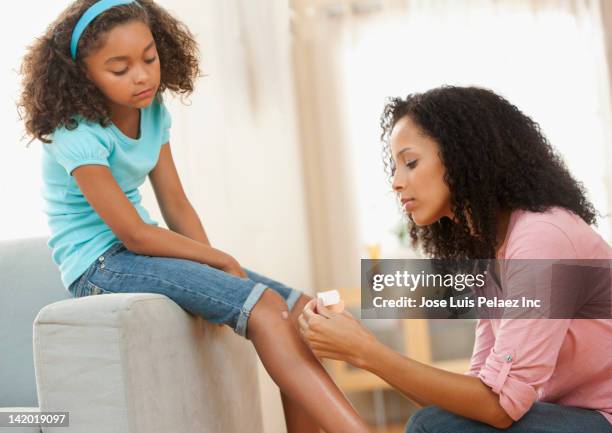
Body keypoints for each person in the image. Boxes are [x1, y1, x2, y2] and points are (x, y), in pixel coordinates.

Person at [19, 1, 373, 432]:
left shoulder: (151, 110)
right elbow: (132, 234)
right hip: (100, 265)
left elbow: (176, 204)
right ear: (83, 72)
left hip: (137, 251)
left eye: (149, 58)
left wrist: (213, 261)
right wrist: (219, 261)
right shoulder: (74, 129)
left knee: (297, 308)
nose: (143, 75)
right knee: (262, 305)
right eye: (120, 68)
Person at [299, 86, 612, 432]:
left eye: (411, 162)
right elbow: (476, 400)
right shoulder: (489, 252)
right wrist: (363, 350)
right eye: (395, 167)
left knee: (430, 425)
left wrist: (367, 352)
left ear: (463, 156)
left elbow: (498, 408)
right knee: (437, 423)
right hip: (576, 415)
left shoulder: (541, 237)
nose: (396, 183)